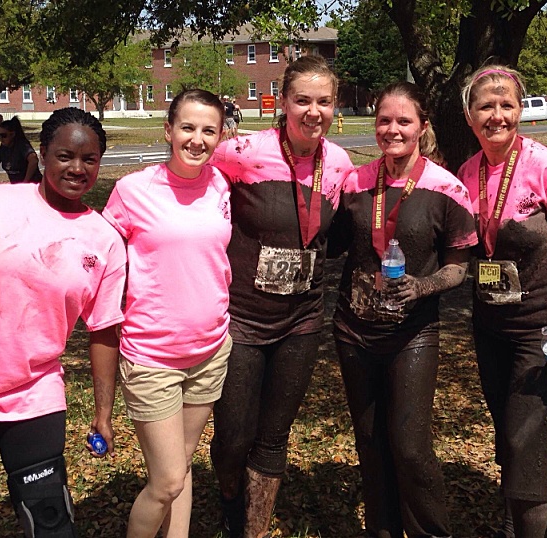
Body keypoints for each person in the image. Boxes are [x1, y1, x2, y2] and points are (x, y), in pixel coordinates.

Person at [209, 55, 354, 538]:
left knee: (273, 437)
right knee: (233, 437)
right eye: (303, 100)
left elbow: (349, 227)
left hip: (302, 321)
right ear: (285, 102)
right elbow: (193, 188)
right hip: (241, 320)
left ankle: (252, 529)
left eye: (325, 101)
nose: (314, 111)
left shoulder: (339, 162)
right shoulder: (242, 151)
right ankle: (228, 497)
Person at [331, 81, 477, 538]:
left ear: (422, 127)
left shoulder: (445, 187)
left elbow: (458, 268)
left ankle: (432, 532)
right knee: (371, 442)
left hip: (412, 333)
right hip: (352, 331)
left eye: (403, 121)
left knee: (410, 447)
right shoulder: (353, 181)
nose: (392, 129)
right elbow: (335, 245)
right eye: (384, 120)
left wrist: (424, 285)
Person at [457, 65, 547, 538]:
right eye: (485, 107)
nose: (497, 116)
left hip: (543, 332)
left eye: (507, 105)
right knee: (508, 435)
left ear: (521, 109)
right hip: (490, 326)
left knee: (525, 437)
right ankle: (514, 524)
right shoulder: (468, 171)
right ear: (470, 117)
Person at [0, 107, 126, 537]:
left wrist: (104, 414)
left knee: (49, 520)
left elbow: (103, 329)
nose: (77, 169)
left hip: (35, 394)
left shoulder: (104, 241)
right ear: (43, 155)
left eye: (90, 159)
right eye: (65, 156)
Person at [102, 89, 233, 538]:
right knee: (167, 479)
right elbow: (99, 257)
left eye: (209, 130)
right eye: (188, 128)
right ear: (169, 130)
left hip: (211, 349)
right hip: (152, 355)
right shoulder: (132, 190)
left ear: (220, 137)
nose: (197, 139)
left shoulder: (221, 185)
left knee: (181, 463)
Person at [0, 116, 42, 184]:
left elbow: (33, 160)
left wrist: (25, 182)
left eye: (4, 135)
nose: (1, 138)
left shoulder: (22, 145)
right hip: (16, 186)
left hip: (33, 185)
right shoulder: (3, 147)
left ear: (12, 134)